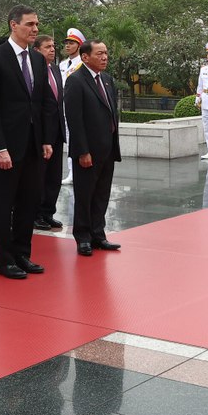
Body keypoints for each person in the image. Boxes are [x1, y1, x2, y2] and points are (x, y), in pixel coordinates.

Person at [0, 5, 58, 280]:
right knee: (3, 203)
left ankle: (23, 253)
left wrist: (45, 138)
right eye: (30, 24)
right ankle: (5, 259)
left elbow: (43, 102)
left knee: (29, 201)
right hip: (7, 146)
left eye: (36, 24)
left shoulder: (36, 60)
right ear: (13, 25)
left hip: (33, 144)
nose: (35, 29)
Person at [64, 40, 122, 256]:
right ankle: (83, 237)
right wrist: (82, 151)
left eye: (106, 53)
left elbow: (111, 114)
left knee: (101, 194)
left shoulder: (107, 79)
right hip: (88, 151)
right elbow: (74, 120)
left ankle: (98, 234)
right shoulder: (75, 81)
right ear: (85, 57)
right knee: (85, 194)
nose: (105, 57)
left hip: (107, 148)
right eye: (100, 53)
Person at [33, 35, 66, 230]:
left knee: (54, 176)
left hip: (57, 131)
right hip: (41, 132)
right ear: (36, 50)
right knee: (40, 176)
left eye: (53, 46)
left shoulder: (55, 69)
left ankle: (48, 212)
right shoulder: (34, 71)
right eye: (47, 47)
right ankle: (36, 214)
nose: (52, 50)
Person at [59, 28, 86, 185]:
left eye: (71, 43)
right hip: (63, 107)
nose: (68, 46)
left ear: (79, 45)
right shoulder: (62, 64)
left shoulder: (82, 64)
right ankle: (72, 172)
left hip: (77, 108)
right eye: (67, 43)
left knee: (77, 140)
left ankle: (77, 171)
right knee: (69, 141)